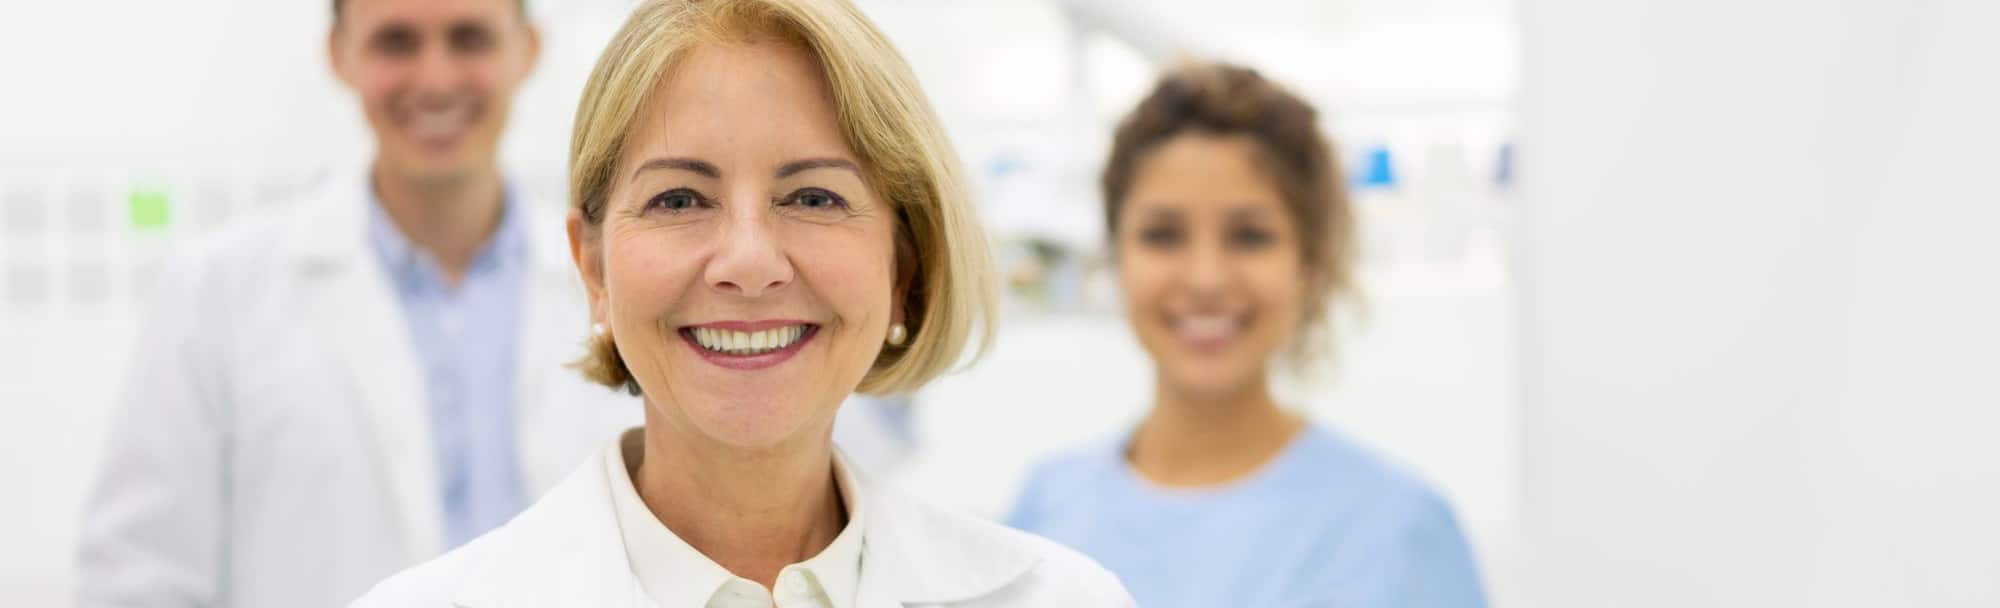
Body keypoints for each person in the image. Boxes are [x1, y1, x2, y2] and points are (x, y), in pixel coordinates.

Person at [351, 0, 1135, 605]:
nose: (749, 262)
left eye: (816, 197)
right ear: (592, 267)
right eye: (681, 199)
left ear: (905, 261)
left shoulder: (1063, 598)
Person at [70, 1, 636, 605]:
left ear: (528, 50)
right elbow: (138, 577)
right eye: (397, 42)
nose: (436, 79)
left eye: (469, 39)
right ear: (340, 54)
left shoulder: (624, 283)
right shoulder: (219, 291)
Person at [1005, 62, 1489, 608]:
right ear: (1117, 255)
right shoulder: (1047, 508)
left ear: (1308, 262)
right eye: (1163, 235)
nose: (1206, 278)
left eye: (1250, 236)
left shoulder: (1399, 530)